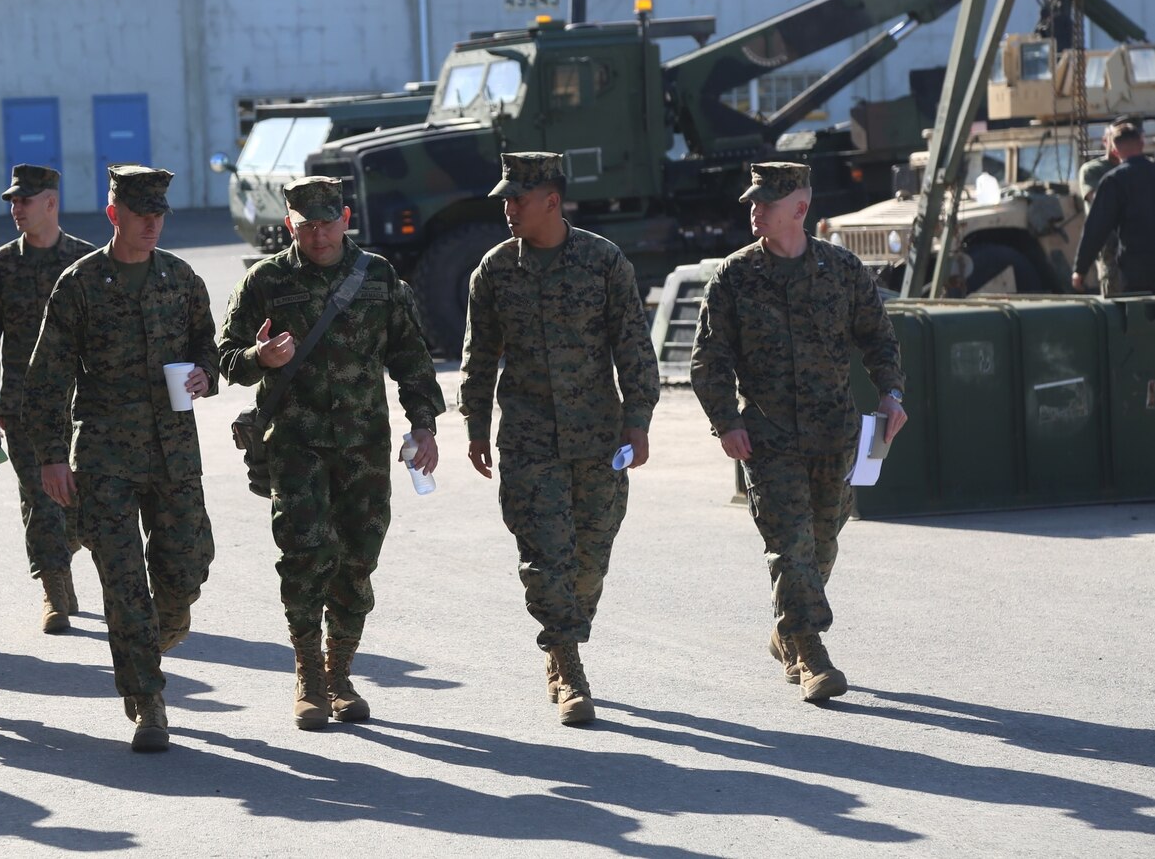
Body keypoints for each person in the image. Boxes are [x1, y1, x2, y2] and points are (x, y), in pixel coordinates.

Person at [218, 175, 445, 731]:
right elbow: (224, 358)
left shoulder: (379, 277)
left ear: (345, 218)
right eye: (305, 226)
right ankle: (308, 677)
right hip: (295, 448)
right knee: (303, 555)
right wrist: (259, 359)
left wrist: (424, 425)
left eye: (326, 224)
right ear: (290, 224)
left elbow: (412, 356)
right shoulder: (265, 280)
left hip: (364, 446)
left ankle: (340, 671)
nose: (317, 237)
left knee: (358, 558)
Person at [689, 162, 906, 704]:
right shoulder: (734, 277)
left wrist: (891, 394)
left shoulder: (842, 269)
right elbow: (708, 359)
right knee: (790, 546)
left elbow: (878, 337)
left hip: (836, 434)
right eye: (753, 202)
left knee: (823, 544)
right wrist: (727, 423)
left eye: (765, 203)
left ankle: (785, 630)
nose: (754, 211)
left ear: (800, 210)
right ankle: (811, 654)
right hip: (768, 437)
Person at [458, 152, 660, 726]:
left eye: (517, 198)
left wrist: (638, 421)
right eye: (504, 198)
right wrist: (474, 425)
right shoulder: (494, 271)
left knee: (590, 558)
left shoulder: (603, 262)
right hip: (528, 440)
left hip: (599, 438)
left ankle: (565, 633)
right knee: (546, 559)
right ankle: (567, 663)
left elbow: (634, 350)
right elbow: (479, 357)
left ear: (552, 200)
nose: (506, 208)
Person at [26, 164, 218, 753]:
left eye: (160, 216)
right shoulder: (80, 284)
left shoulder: (181, 279)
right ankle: (148, 703)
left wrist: (206, 375)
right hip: (105, 453)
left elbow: (207, 347)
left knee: (186, 565)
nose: (152, 226)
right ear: (115, 215)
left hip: (174, 453)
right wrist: (53, 460)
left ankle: (168, 625)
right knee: (123, 581)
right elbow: (47, 381)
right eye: (142, 216)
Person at [0, 164, 95, 633]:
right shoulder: (2, 265)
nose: (15, 209)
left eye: (24, 200)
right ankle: (52, 585)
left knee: (81, 502)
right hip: (24, 407)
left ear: (51, 202)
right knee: (38, 499)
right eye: (11, 201)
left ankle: (62, 559)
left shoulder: (86, 262)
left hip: (81, 407)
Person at [1073, 116, 1154, 295]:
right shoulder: (1099, 173)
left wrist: (1081, 268)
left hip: (1133, 272)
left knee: (1129, 319)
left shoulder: (1113, 181)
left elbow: (1097, 226)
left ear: (1115, 150)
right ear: (1142, 143)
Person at [1077, 124, 1123, 295]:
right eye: (1114, 139)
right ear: (1105, 141)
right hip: (1110, 249)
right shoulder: (1093, 170)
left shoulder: (1140, 169)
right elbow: (1100, 203)